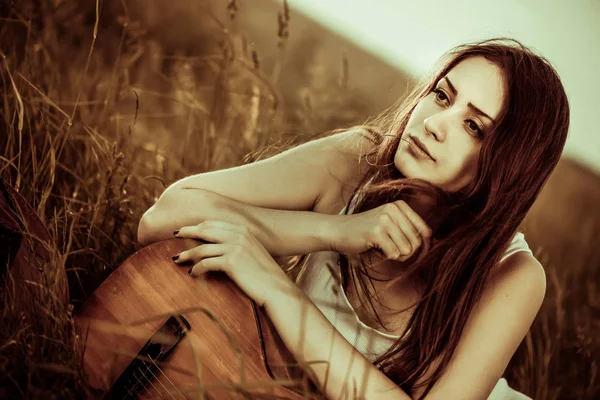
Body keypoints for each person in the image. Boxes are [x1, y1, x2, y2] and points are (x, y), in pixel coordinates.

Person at [137, 37, 569, 399]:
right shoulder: (356, 160)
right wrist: (336, 230)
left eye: (474, 127)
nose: (437, 123)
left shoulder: (512, 273)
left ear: (509, 167)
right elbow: (163, 218)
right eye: (442, 96)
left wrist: (276, 288)